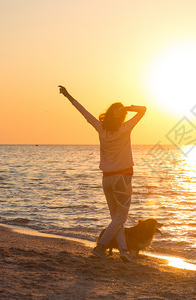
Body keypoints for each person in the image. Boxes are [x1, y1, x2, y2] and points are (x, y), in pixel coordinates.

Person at [58, 85, 146, 262]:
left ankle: (123, 251)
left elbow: (83, 112)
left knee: (116, 218)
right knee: (120, 217)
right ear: (121, 115)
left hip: (106, 179)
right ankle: (100, 247)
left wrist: (68, 96)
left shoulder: (100, 128)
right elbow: (143, 110)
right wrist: (128, 107)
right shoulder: (126, 128)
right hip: (123, 178)